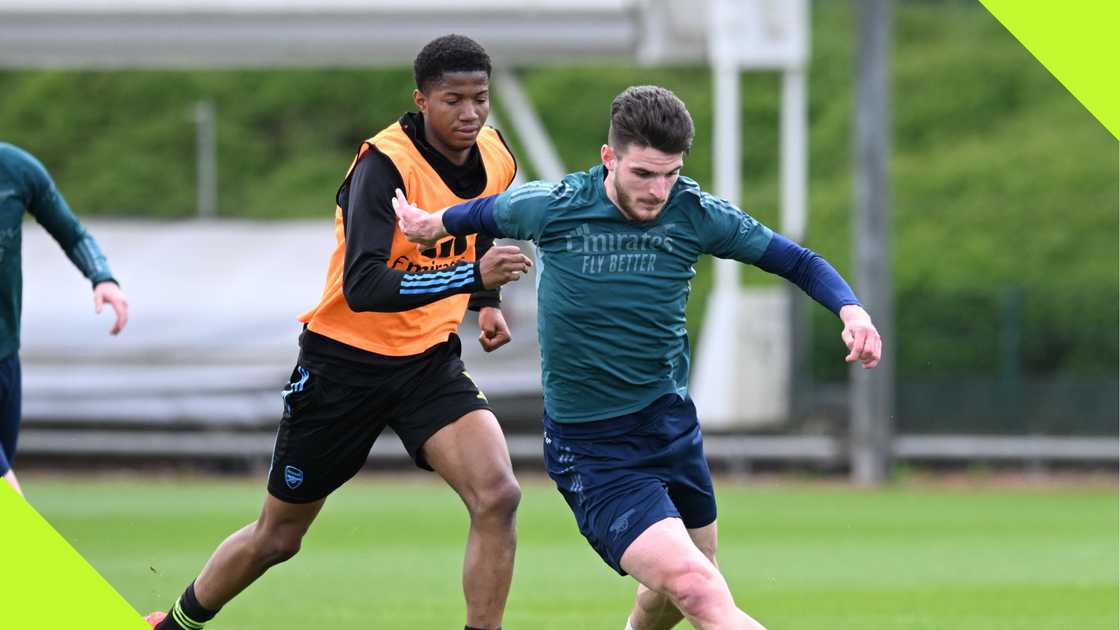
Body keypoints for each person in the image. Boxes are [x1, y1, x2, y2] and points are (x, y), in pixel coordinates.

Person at [394, 85, 883, 630]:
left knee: (675, 591)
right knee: (699, 587)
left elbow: (797, 260)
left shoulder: (695, 213)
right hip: (595, 447)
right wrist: (429, 225)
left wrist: (852, 311)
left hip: (671, 426)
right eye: (643, 175)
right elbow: (479, 213)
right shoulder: (554, 207)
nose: (658, 191)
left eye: (670, 174)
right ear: (609, 158)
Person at [147, 34, 531, 630]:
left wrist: (484, 301)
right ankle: (175, 623)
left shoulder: (496, 155)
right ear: (421, 100)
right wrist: (468, 275)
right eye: (453, 100)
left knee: (499, 494)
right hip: (342, 365)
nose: (470, 112)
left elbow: (476, 224)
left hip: (427, 364)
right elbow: (365, 287)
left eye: (479, 98)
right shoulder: (382, 167)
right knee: (277, 538)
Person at [0, 143, 129, 497]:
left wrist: (102, 277)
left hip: (6, 357)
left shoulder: (17, 171)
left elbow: (72, 232)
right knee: (9, 504)